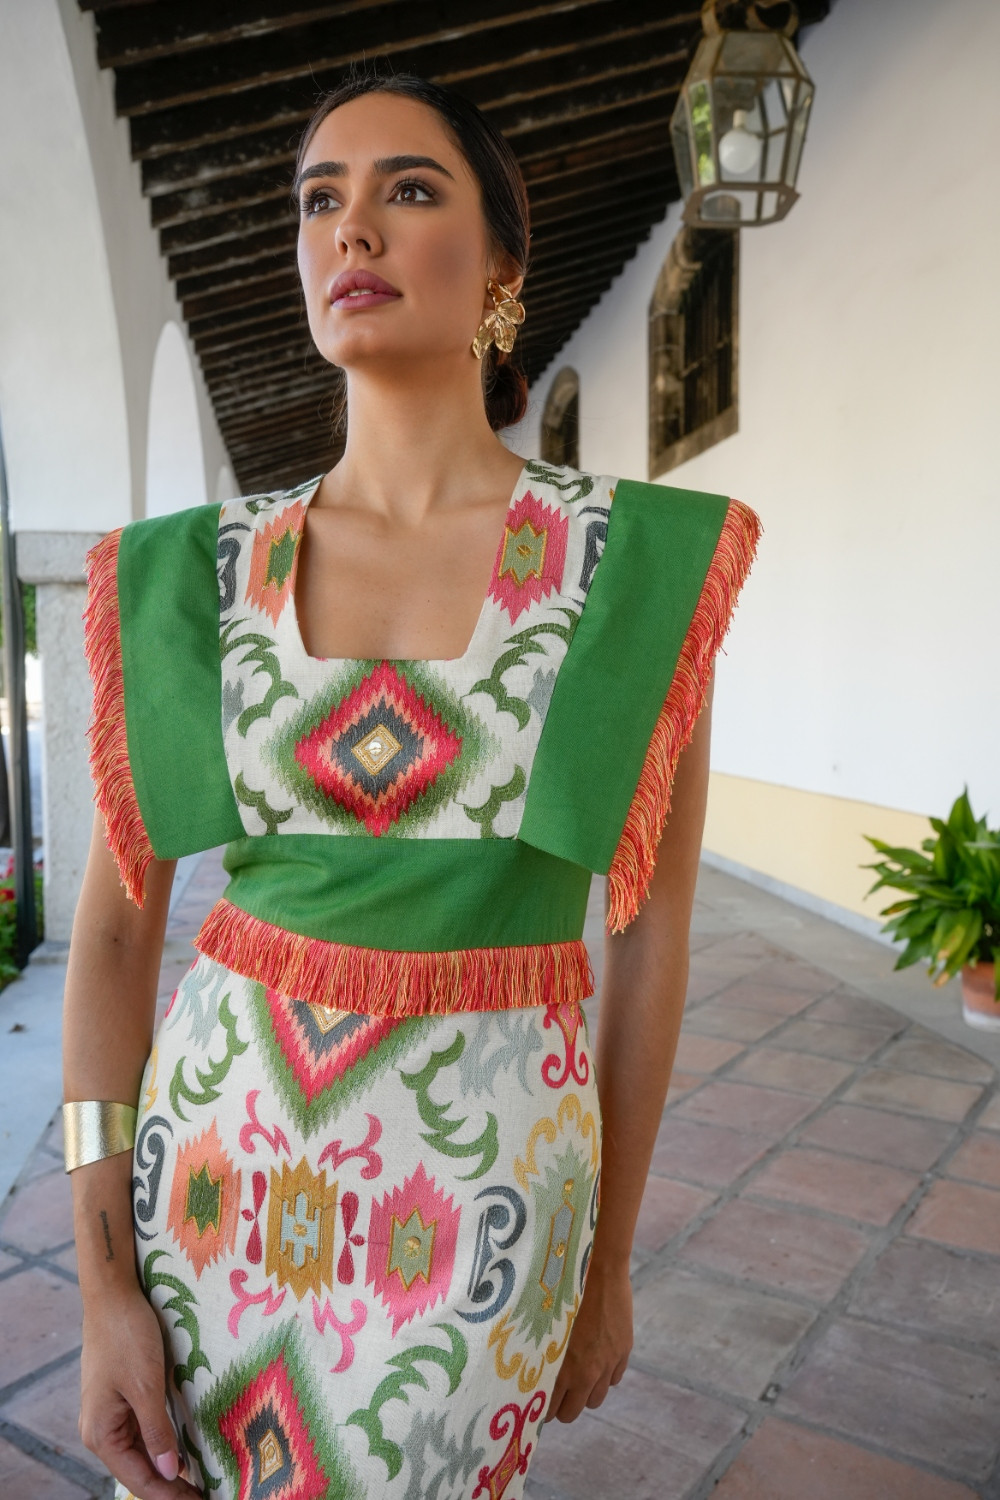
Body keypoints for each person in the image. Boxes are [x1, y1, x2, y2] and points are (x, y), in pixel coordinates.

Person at [62, 69, 761, 1500]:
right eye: (320, 199)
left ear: (502, 262)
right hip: (213, 1197)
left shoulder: (629, 572)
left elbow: (649, 942)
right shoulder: (192, 576)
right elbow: (121, 937)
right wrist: (102, 1286)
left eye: (410, 190)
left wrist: (608, 1260)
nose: (352, 228)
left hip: (487, 1211)